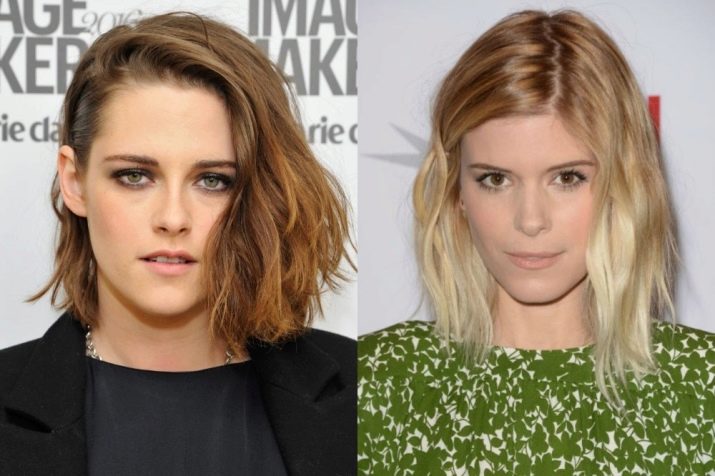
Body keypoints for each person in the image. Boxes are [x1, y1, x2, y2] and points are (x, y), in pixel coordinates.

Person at [358, 9, 714, 474]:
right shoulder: (375, 381)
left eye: (567, 178)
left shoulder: (702, 384)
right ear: (456, 192)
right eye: (495, 179)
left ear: (625, 185)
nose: (530, 221)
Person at [0, 12, 355, 476]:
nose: (173, 218)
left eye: (213, 180)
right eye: (134, 176)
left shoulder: (363, 388)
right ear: (74, 181)